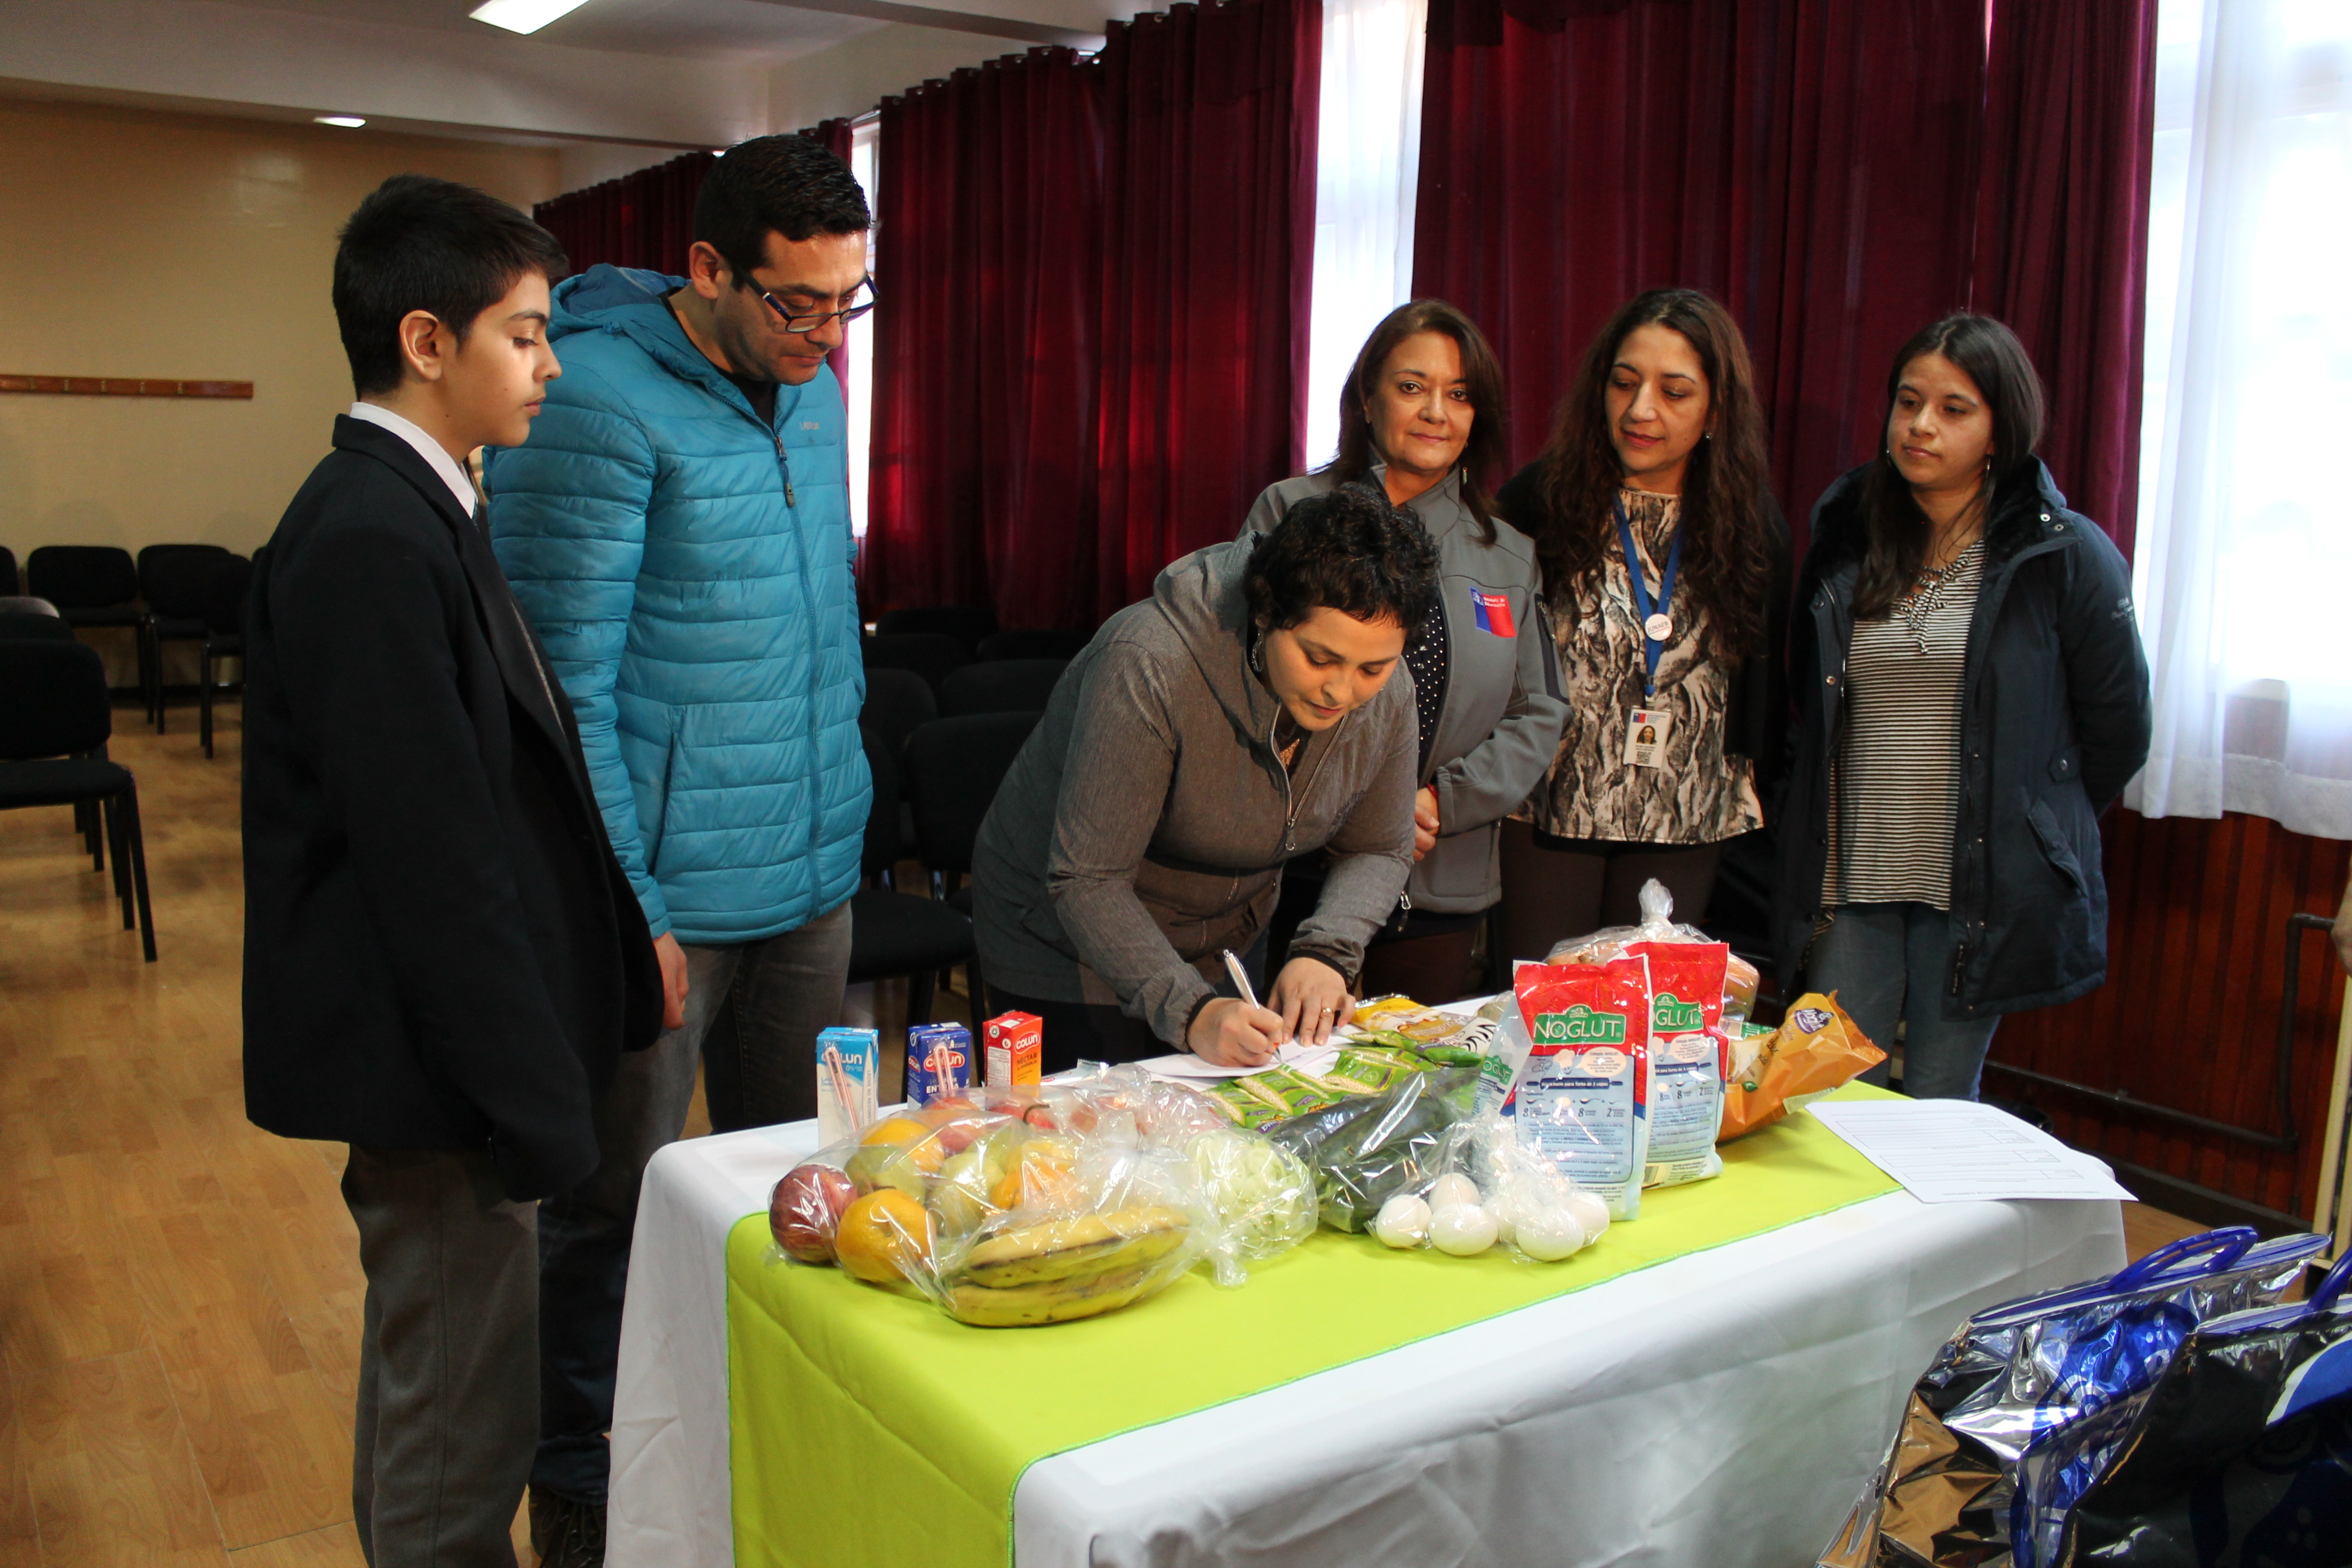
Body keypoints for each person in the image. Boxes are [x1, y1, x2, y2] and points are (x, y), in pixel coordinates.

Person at [241, 175, 662, 1567]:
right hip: (441, 1079)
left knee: (450, 1404)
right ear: (428, 341)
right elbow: (435, 865)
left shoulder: (427, 503)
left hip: (467, 1058)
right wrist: (529, 1096)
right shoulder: (370, 535)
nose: (552, 364)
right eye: (529, 334)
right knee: (451, 1438)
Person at [481, 134, 870, 1562]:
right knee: (607, 1216)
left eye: (850, 304)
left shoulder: (810, 389)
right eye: (797, 304)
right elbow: (562, 693)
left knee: (801, 1197)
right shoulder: (600, 405)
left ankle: (757, 1455)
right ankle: (582, 1502)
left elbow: (819, 611)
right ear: (709, 270)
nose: (826, 338)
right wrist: (628, 909)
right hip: (662, 909)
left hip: (807, 879)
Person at [1774, 314, 2151, 1101]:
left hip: (1978, 886)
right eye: (1908, 402)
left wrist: (2032, 821)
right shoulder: (1847, 535)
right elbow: (1803, 696)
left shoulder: (2064, 555)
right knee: (1832, 1100)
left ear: (1998, 430)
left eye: (1954, 409)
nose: (1920, 426)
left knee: (1943, 1109)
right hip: (1852, 874)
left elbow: (2118, 731)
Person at [972, 486, 1436, 1070]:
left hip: (1223, 935)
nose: (1342, 692)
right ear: (1267, 615)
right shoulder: (1148, 662)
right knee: (1092, 1143)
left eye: (1372, 667)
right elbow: (1088, 879)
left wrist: (1326, 951)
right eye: (1319, 659)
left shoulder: (1390, 695)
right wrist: (1190, 1011)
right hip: (1063, 940)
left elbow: (1379, 844)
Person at [1239, 300, 1565, 1003]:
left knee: (1423, 1090)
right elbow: (1247, 674)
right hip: (1300, 863)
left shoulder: (1507, 553)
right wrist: (1362, 809)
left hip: (1442, 872)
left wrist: (1435, 803)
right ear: (1367, 397)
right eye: (1412, 387)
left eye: (1459, 394)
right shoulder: (1290, 511)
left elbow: (1539, 709)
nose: (1436, 412)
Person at [1495, 287, 1789, 960]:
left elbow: (1763, 690)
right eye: (1624, 383)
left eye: (1674, 391)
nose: (1640, 409)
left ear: (1717, 406)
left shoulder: (1754, 526)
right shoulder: (1538, 501)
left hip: (1686, 815)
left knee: (1652, 1034)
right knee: (1550, 1023)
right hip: (1549, 811)